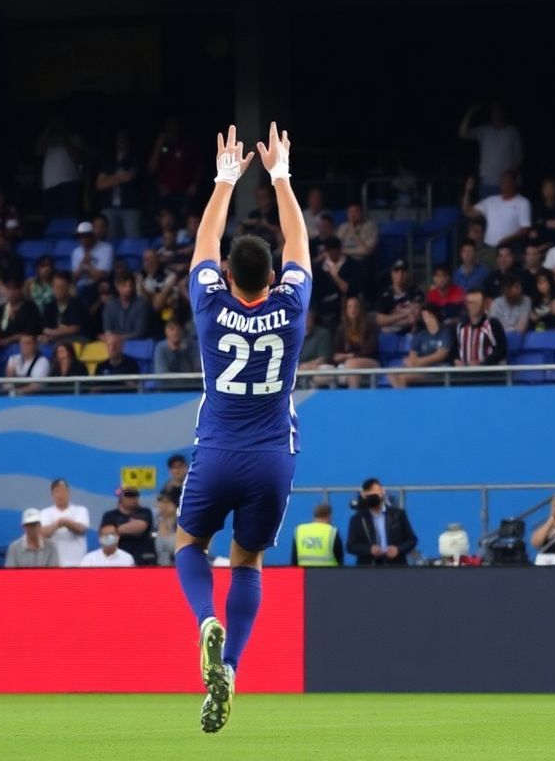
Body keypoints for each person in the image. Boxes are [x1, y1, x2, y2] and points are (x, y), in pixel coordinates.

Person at [173, 122, 311, 734]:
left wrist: (225, 179)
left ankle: (206, 618)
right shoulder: (292, 305)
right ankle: (230, 667)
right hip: (273, 457)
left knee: (187, 545)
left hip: (217, 450)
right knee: (247, 560)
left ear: (228, 275)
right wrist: (280, 176)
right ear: (273, 275)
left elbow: (204, 241)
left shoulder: (209, 303)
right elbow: (300, 244)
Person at [346, 478, 418, 566]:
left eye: (375, 495)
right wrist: (369, 550)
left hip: (396, 567)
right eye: (369, 496)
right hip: (369, 568)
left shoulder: (398, 515)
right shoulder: (358, 519)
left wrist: (398, 549)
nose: (373, 499)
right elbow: (351, 546)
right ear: (364, 496)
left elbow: (412, 540)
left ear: (382, 492)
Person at [457, 101, 523, 198]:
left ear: (504, 112)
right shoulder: (484, 130)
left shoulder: (512, 131)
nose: (496, 114)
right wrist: (470, 113)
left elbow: (520, 157)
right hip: (486, 185)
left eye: (498, 111)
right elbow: (462, 134)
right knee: (487, 213)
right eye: (493, 111)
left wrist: (510, 178)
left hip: (506, 185)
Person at [387, 302, 453, 387]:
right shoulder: (420, 334)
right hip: (422, 368)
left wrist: (419, 361)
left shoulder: (445, 332)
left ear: (436, 315)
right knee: (391, 373)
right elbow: (413, 355)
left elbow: (441, 355)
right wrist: (413, 362)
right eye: (424, 316)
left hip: (439, 369)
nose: (427, 318)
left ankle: (404, 399)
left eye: (429, 315)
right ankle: (401, 399)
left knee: (404, 377)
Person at [39, 478, 91, 566]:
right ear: (52, 495)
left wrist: (65, 523)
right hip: (53, 564)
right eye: (57, 492)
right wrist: (58, 524)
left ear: (69, 492)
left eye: (63, 491)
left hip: (77, 563)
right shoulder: (45, 512)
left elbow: (82, 529)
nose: (60, 495)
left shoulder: (81, 510)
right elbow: (43, 533)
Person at [331, 295, 379, 389]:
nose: (353, 309)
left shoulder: (370, 326)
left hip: (371, 362)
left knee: (351, 364)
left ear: (360, 309)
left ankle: (353, 396)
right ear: (346, 310)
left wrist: (350, 356)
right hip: (346, 364)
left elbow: (369, 350)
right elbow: (335, 355)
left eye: (355, 306)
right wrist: (342, 357)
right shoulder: (341, 329)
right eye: (349, 307)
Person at [101, 486, 156, 564]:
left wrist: (115, 530)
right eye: (128, 495)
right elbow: (106, 535)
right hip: (118, 558)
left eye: (135, 495)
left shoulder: (145, 512)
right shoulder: (110, 516)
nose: (132, 498)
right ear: (121, 498)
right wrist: (124, 528)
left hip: (142, 557)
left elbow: (140, 527)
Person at [454, 288, 507, 368]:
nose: (473, 306)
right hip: (463, 374)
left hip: (487, 374)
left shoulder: (492, 324)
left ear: (484, 304)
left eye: (476, 303)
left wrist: (483, 362)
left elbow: (501, 351)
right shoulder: (460, 326)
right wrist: (456, 360)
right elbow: (454, 351)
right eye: (470, 303)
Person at [291, 502, 344, 566]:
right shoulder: (332, 531)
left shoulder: (300, 530)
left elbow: (294, 559)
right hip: (328, 573)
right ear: (329, 516)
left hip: (305, 573)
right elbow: (339, 557)